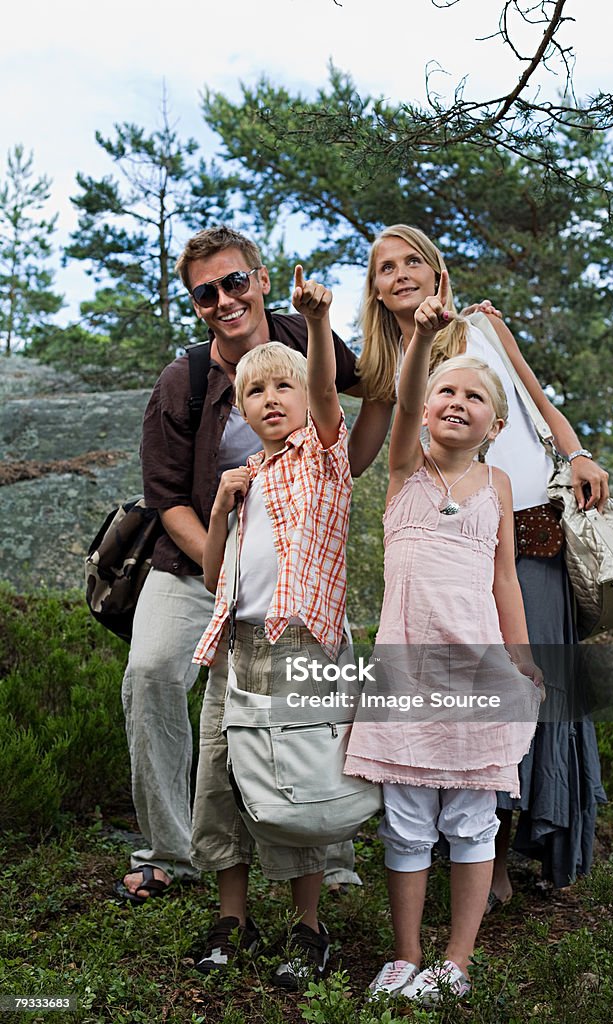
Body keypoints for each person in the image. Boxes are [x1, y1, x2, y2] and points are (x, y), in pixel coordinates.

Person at [350, 224, 608, 908]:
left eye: (412, 261)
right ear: (374, 290)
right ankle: (477, 855)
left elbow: (534, 399)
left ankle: (528, 843)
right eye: (384, 267)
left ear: (436, 272)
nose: (400, 273)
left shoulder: (479, 327)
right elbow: (359, 459)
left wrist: (576, 452)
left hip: (531, 528)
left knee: (529, 679)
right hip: (455, 546)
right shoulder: (389, 371)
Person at [115, 228, 361, 912]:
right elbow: (165, 499)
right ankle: (172, 849)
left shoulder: (305, 341)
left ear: (258, 277)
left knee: (317, 687)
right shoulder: (183, 379)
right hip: (198, 559)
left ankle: (328, 847)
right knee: (151, 674)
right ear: (193, 302)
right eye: (205, 292)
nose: (223, 299)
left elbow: (369, 395)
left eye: (234, 282)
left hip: (291, 569)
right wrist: (219, 566)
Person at [344, 278, 544, 1004]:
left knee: (468, 818)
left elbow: (505, 582)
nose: (456, 403)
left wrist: (522, 658)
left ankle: (455, 959)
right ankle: (403, 956)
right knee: (404, 822)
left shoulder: (496, 487)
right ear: (425, 409)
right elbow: (397, 403)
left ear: (494, 424)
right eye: (444, 393)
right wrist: (425, 338)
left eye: (474, 398)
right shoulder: (404, 473)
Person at [192, 266, 353, 989]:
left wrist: (316, 324)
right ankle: (233, 916)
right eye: (254, 392)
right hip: (235, 643)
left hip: (298, 645)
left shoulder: (321, 458)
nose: (269, 399)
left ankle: (307, 924)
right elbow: (211, 578)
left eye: (280, 386)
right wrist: (224, 505)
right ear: (242, 411)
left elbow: (324, 392)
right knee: (220, 776)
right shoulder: (248, 475)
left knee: (295, 783)